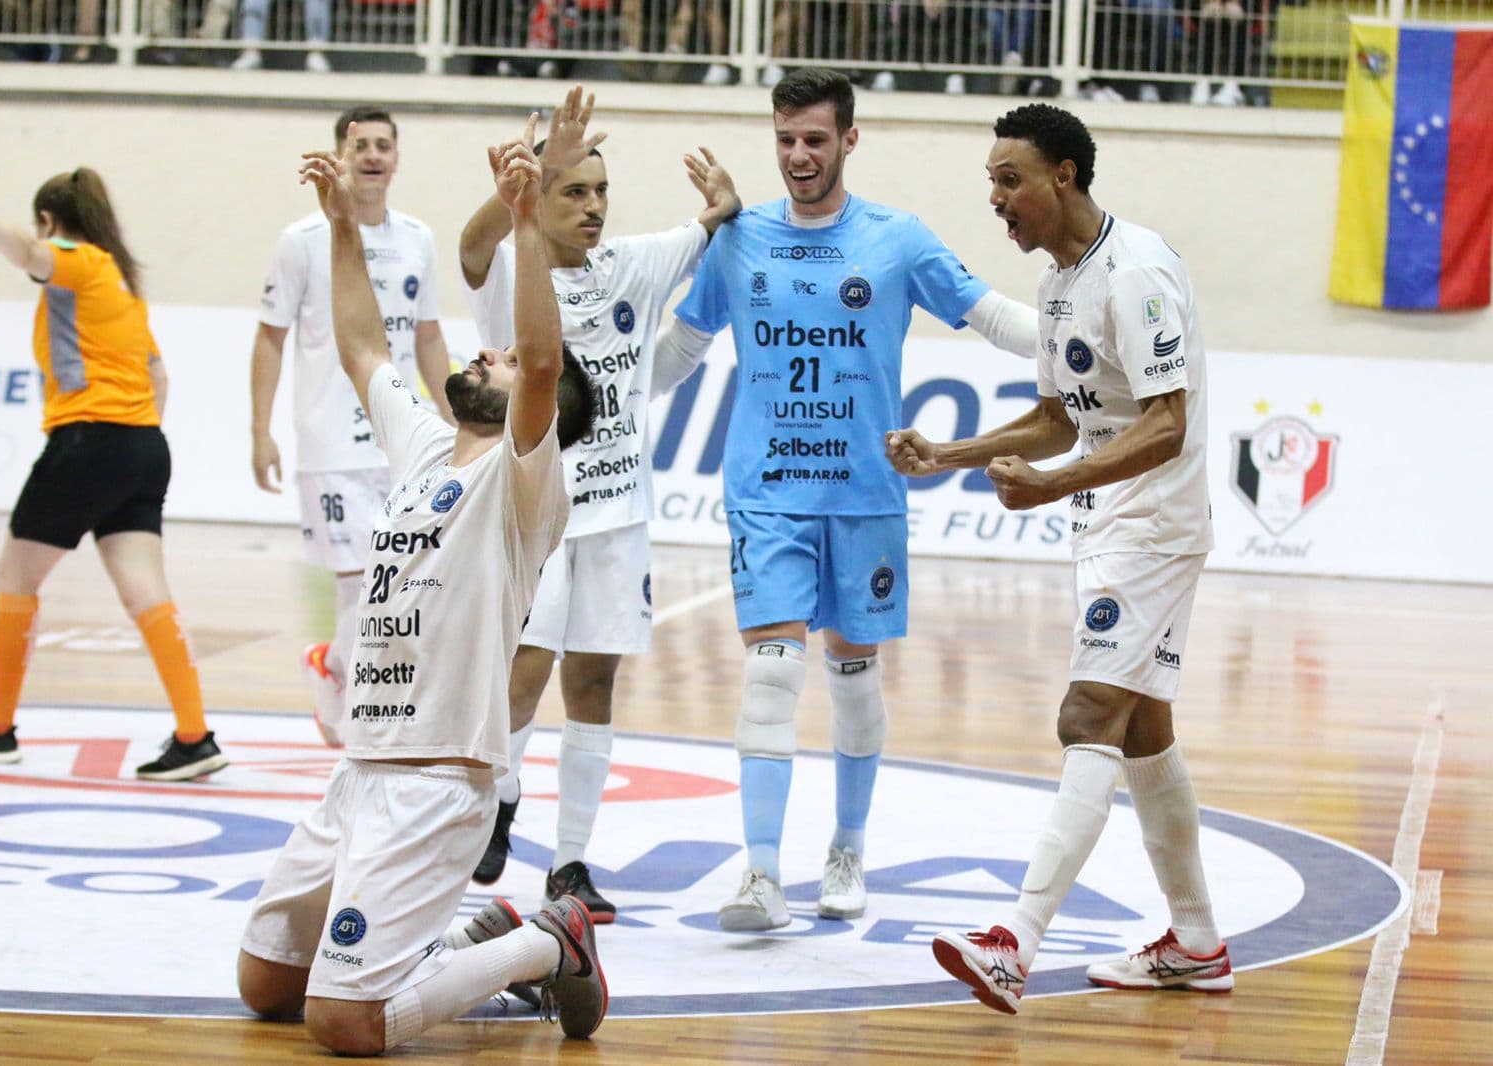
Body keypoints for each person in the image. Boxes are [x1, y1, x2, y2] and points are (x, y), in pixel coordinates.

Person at [236, 119, 605, 1055]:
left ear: (540, 410)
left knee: (344, 1024)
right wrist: (342, 229)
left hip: (441, 780)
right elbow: (364, 344)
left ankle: (542, 943)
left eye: (506, 360)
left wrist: (526, 223)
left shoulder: (524, 477)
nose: (486, 358)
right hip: (362, 768)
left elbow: (546, 361)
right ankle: (457, 941)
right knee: (266, 986)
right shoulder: (428, 445)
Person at [670, 67, 1038, 932]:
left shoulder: (897, 239)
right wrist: (591, 402)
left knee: (853, 679)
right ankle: (761, 873)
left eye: (815, 140)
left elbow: (989, 316)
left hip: (866, 490)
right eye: (785, 139)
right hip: (765, 488)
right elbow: (682, 348)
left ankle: (848, 846)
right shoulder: (740, 239)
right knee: (770, 676)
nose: (799, 156)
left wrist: (1082, 338)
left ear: (848, 140)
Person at [887, 102, 1229, 1014]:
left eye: (1010, 180)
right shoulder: (1057, 284)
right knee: (1144, 729)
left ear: (1064, 177)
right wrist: (947, 454)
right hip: (1111, 521)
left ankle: (1016, 940)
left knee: (1087, 714)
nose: (996, 200)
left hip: (1152, 525)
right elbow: (1057, 415)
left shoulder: (1138, 271)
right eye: (991, 182)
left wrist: (1052, 481)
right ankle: (1196, 940)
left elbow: (1167, 424)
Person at [459, 85, 741, 922]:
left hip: (620, 518)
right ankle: (495, 807)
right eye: (573, 191)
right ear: (539, 199)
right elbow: (471, 250)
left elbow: (716, 220)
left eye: (600, 191)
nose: (591, 207)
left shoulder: (634, 265)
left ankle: (571, 863)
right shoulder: (515, 269)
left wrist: (722, 203)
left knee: (593, 682)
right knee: (524, 673)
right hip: (535, 514)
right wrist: (530, 172)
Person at [0, 169, 230, 782]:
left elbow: (35, 257)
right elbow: (159, 377)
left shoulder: (79, 260)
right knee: (146, 591)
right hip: (144, 445)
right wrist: (131, 445)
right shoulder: (122, 281)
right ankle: (195, 736)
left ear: (49, 218)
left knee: (16, 574)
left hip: (90, 439)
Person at [249, 105, 455, 748]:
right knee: (356, 576)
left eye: (384, 145)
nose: (372, 155)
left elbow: (426, 336)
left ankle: (340, 671)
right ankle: (349, 697)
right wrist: (262, 430)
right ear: (340, 155)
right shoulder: (302, 239)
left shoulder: (418, 238)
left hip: (402, 437)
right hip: (329, 437)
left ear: (396, 157)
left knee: (395, 575)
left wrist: (451, 421)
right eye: (360, 144)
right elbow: (269, 338)